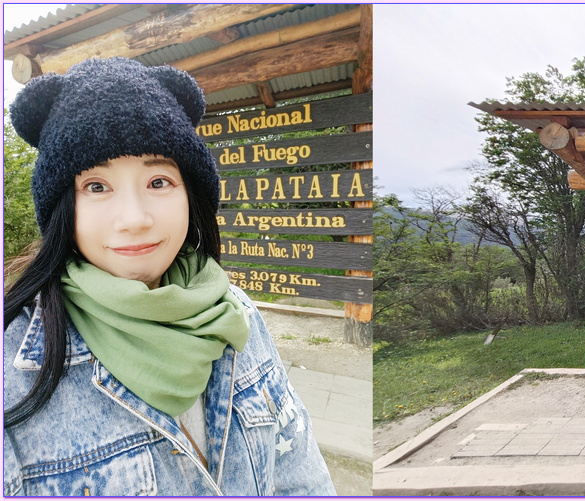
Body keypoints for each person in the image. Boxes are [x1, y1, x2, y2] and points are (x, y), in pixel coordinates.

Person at [3, 57, 336, 496]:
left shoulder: (236, 313)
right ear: (64, 206)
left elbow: (300, 477)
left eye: (158, 181)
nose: (135, 219)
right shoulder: (14, 368)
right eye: (97, 187)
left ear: (190, 195)